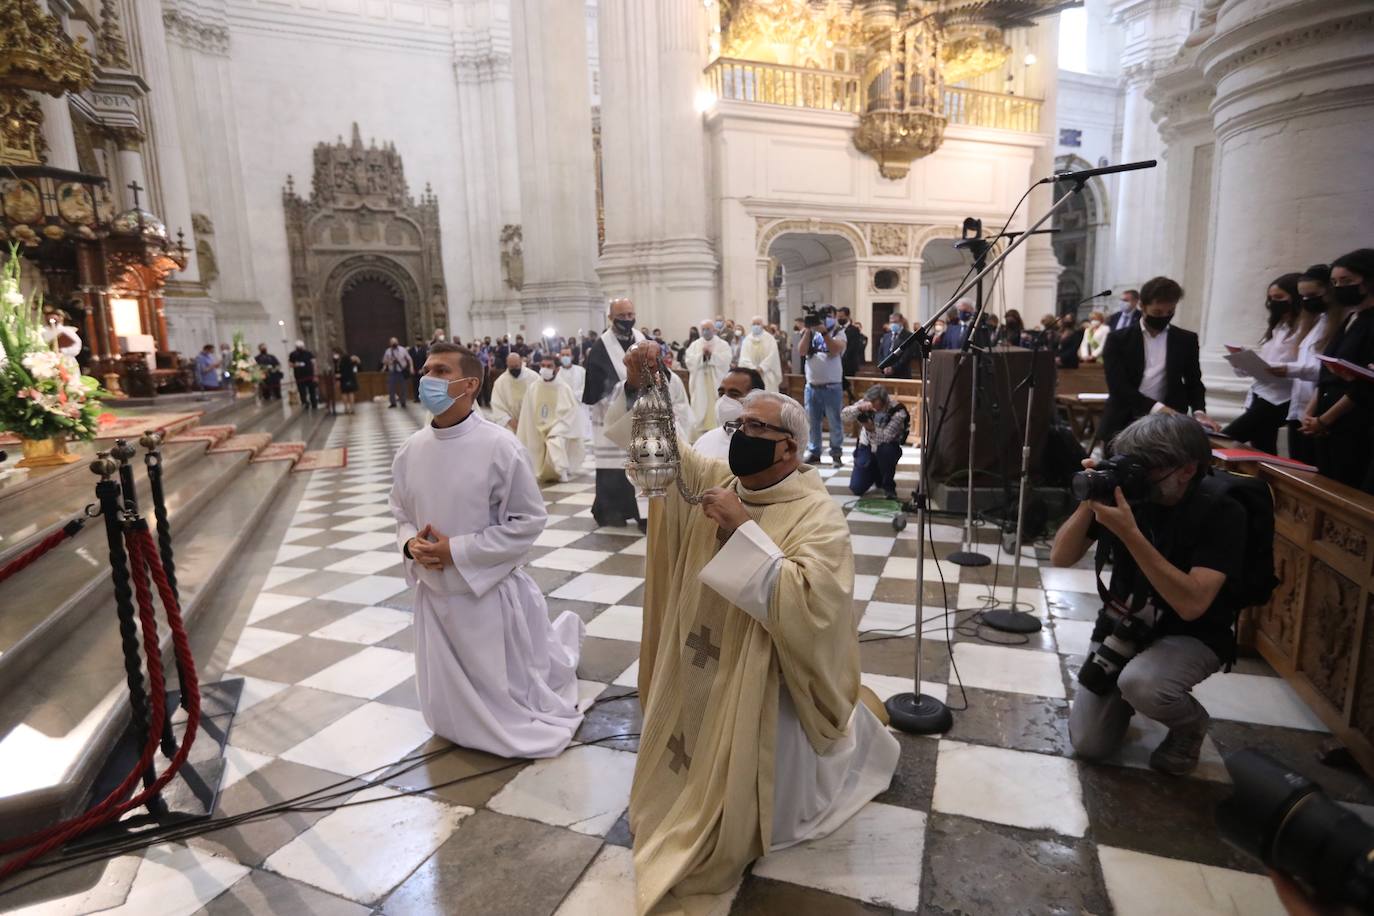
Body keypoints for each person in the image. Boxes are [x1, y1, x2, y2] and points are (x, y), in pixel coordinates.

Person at [604, 343, 898, 913]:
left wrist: (744, 533)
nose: (739, 433)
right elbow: (658, 459)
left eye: (754, 426)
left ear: (788, 446)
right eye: (737, 424)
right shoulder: (720, 480)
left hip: (765, 681)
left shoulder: (816, 513)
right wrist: (649, 388)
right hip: (702, 658)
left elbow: (814, 605)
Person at [389, 342, 583, 758]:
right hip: (433, 597)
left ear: (469, 384)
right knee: (446, 716)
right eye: (425, 369)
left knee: (508, 703)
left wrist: (454, 551)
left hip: (484, 596)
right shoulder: (411, 450)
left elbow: (528, 521)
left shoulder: (500, 446)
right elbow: (400, 511)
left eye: (440, 371)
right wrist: (410, 545)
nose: (427, 378)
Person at [1052, 413, 1247, 776]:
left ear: (1186, 470)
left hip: (1191, 633)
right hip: (1127, 625)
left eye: (1147, 469)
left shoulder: (1222, 511)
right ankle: (1123, 697)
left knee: (1142, 684)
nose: (1136, 478)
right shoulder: (1132, 495)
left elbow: (1192, 605)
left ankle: (1189, 724)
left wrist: (1130, 533)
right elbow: (1060, 557)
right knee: (1089, 744)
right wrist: (1090, 498)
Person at [583, 298, 691, 530]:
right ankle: (613, 511)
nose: (627, 319)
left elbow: (660, 371)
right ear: (611, 317)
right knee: (616, 468)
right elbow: (597, 388)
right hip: (612, 414)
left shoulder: (642, 340)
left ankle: (644, 514)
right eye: (621, 315)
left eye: (630, 314)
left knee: (645, 462)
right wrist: (627, 389)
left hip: (644, 412)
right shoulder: (600, 347)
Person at [1099, 276, 1215, 444]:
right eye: (1157, 313)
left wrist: (1199, 412)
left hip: (1167, 427)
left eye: (1170, 312)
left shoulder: (1186, 340)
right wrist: (1159, 409)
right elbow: (1118, 387)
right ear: (1142, 306)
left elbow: (1194, 381)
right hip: (1124, 420)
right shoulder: (1118, 340)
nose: (1164, 317)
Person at [1300, 248, 1374, 487]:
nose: (1339, 287)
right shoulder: (1352, 318)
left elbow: (1364, 384)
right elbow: (1327, 371)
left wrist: (1325, 419)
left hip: (1353, 422)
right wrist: (1311, 413)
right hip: (1326, 420)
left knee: (1346, 487)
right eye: (1334, 282)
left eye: (1347, 281)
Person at [1220, 274, 1305, 455]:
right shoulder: (1279, 326)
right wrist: (1241, 361)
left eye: (1279, 298)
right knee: (1263, 450)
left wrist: (1275, 368)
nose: (1274, 303)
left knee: (1226, 438)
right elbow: (1263, 365)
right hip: (1261, 393)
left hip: (1280, 398)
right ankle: (1262, 484)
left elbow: (1300, 367)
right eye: (1271, 299)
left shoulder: (1304, 328)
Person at [1282, 265, 1332, 465]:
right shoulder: (1315, 323)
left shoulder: (1339, 323)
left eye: (1313, 295)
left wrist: (1290, 370)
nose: (1307, 302)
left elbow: (1329, 371)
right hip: (1299, 407)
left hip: (1318, 410)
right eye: (1303, 297)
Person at [516, 354, 588, 483]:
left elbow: (569, 414)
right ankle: (537, 468)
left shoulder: (563, 388)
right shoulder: (533, 387)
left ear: (557, 369)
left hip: (558, 425)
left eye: (549, 366)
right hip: (537, 426)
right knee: (534, 438)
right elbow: (528, 413)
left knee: (555, 440)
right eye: (543, 366)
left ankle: (560, 470)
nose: (545, 369)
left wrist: (555, 428)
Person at [798, 305, 848, 467]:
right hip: (812, 386)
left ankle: (836, 453)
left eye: (829, 315)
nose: (826, 318)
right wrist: (808, 331)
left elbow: (834, 350)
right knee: (813, 422)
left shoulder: (839, 332)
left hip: (832, 387)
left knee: (834, 422)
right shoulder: (810, 333)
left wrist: (824, 332)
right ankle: (814, 452)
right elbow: (802, 351)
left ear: (834, 316)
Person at [840, 384, 909, 499]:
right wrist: (858, 409)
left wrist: (871, 429)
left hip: (886, 448)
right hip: (866, 446)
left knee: (886, 450)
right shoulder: (866, 402)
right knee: (856, 488)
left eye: (876, 406)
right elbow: (844, 416)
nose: (872, 409)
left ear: (884, 402)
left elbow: (886, 438)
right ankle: (875, 474)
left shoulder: (898, 411)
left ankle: (888, 486)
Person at [693, 367, 765, 460]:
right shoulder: (703, 443)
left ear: (756, 399)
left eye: (734, 394)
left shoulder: (765, 444)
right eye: (721, 393)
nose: (724, 400)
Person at [684, 319, 733, 439]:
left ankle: (718, 431)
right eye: (703, 329)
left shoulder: (722, 344)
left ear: (714, 330)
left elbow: (726, 360)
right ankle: (699, 436)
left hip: (715, 382)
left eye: (708, 329)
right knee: (699, 406)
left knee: (716, 407)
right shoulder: (695, 345)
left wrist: (711, 355)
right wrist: (702, 356)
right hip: (700, 382)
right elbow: (689, 361)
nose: (705, 332)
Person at [737, 316, 783, 392]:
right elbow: (744, 358)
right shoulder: (747, 340)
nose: (756, 326)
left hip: (766, 374)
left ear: (762, 325)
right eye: (754, 324)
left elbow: (772, 356)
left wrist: (762, 367)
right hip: (751, 375)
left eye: (758, 324)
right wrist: (753, 369)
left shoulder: (770, 339)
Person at [490, 353, 532, 430]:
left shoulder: (533, 377)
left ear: (521, 363)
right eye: (511, 367)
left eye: (516, 366)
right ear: (507, 365)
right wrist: (510, 421)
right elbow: (497, 405)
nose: (514, 369)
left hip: (531, 424)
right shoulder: (500, 382)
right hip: (511, 426)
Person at [877, 312, 916, 379]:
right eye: (891, 322)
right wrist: (883, 366)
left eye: (895, 322)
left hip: (902, 374)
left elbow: (906, 356)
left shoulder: (909, 336)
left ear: (901, 322)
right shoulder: (886, 336)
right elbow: (880, 353)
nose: (893, 324)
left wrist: (893, 368)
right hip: (886, 374)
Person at [836, 306, 866, 382]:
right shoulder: (836, 330)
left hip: (848, 364)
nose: (839, 318)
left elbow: (853, 348)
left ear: (847, 316)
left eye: (841, 316)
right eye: (838, 317)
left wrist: (842, 359)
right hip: (836, 364)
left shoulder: (854, 330)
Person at [383, 337, 413, 409]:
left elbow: (409, 359)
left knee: (403, 387)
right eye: (392, 342)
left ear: (398, 342)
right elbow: (384, 361)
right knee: (391, 388)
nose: (394, 343)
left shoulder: (403, 350)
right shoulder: (388, 351)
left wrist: (411, 367)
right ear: (390, 343)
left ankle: (403, 402)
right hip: (392, 371)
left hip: (401, 371)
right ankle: (393, 403)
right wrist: (390, 361)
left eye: (395, 342)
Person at [287, 339, 319, 409]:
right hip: (299, 376)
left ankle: (314, 403)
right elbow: (290, 364)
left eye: (301, 347)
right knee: (302, 391)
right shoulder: (293, 354)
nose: (300, 348)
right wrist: (296, 364)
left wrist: (315, 374)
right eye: (298, 347)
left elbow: (314, 363)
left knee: (312, 390)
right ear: (296, 347)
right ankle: (305, 403)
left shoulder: (308, 353)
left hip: (309, 375)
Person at [334, 348, 360, 414]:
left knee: (344, 393)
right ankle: (352, 408)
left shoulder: (338, 360)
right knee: (350, 393)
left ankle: (346, 408)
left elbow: (337, 370)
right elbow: (356, 362)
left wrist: (337, 380)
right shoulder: (348, 357)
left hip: (343, 378)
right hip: (350, 377)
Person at [408, 337, 429, 403]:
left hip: (421, 370)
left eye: (419, 341)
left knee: (422, 385)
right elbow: (409, 360)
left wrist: (422, 369)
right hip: (414, 370)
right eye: (417, 341)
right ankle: (416, 398)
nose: (418, 343)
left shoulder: (424, 350)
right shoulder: (411, 350)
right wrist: (411, 368)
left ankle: (422, 398)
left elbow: (426, 361)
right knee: (415, 384)